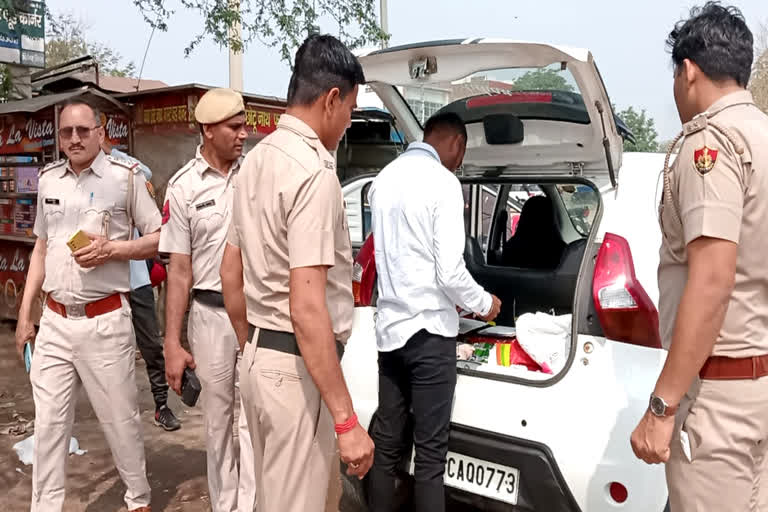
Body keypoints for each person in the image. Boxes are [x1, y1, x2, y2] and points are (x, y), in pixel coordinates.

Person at [220, 34, 373, 512]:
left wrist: (255, 349)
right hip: (295, 369)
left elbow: (231, 272)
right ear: (331, 100)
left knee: (275, 499)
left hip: (261, 361)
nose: (348, 123)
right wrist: (347, 422)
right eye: (350, 109)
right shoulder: (313, 172)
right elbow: (308, 307)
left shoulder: (256, 160)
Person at [630, 3, 768, 511]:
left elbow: (711, 281)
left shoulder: (711, 144)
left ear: (687, 71)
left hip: (718, 398)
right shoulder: (763, 136)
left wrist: (662, 407)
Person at [14, 99, 160, 512]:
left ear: (100, 132)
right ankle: (46, 506)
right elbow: (41, 249)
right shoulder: (49, 181)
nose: (74, 139)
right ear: (58, 138)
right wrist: (27, 317)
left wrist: (114, 249)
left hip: (106, 321)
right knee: (49, 428)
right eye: (66, 132)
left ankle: (138, 499)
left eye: (82, 130)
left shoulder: (125, 178)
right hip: (55, 322)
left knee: (121, 421)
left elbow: (159, 236)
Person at [366, 112, 502, 512]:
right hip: (429, 337)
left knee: (387, 446)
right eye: (461, 154)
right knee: (429, 458)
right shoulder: (443, 182)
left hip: (390, 335)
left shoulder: (383, 179)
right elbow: (449, 273)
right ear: (456, 144)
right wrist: (485, 305)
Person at [159, 88, 255, 512]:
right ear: (209, 130)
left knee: (255, 419)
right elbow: (178, 271)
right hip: (209, 317)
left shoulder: (256, 174)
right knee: (218, 425)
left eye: (244, 125)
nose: (243, 135)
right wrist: (172, 343)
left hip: (255, 314)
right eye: (234, 128)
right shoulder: (182, 188)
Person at [100, 132, 181, 432]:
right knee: (107, 354)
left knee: (150, 344)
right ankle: (115, 414)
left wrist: (109, 150)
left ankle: (161, 405)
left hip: (136, 279)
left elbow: (143, 172)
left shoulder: (128, 177)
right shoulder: (84, 187)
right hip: (104, 287)